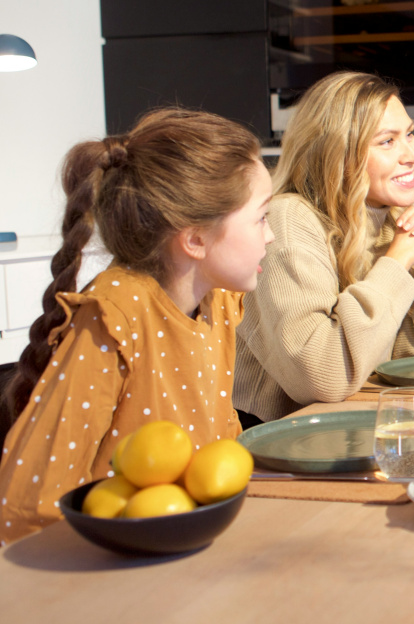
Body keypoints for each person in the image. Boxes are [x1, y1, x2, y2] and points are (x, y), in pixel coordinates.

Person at [0, 108, 274, 545]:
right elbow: (27, 506)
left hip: (190, 551)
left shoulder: (218, 301)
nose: (271, 235)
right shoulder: (114, 317)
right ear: (196, 239)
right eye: (261, 217)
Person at [234, 72, 414, 423]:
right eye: (387, 142)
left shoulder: (391, 218)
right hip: (273, 442)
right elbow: (321, 378)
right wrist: (396, 263)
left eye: (408, 134)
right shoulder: (290, 219)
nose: (412, 154)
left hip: (347, 425)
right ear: (338, 153)